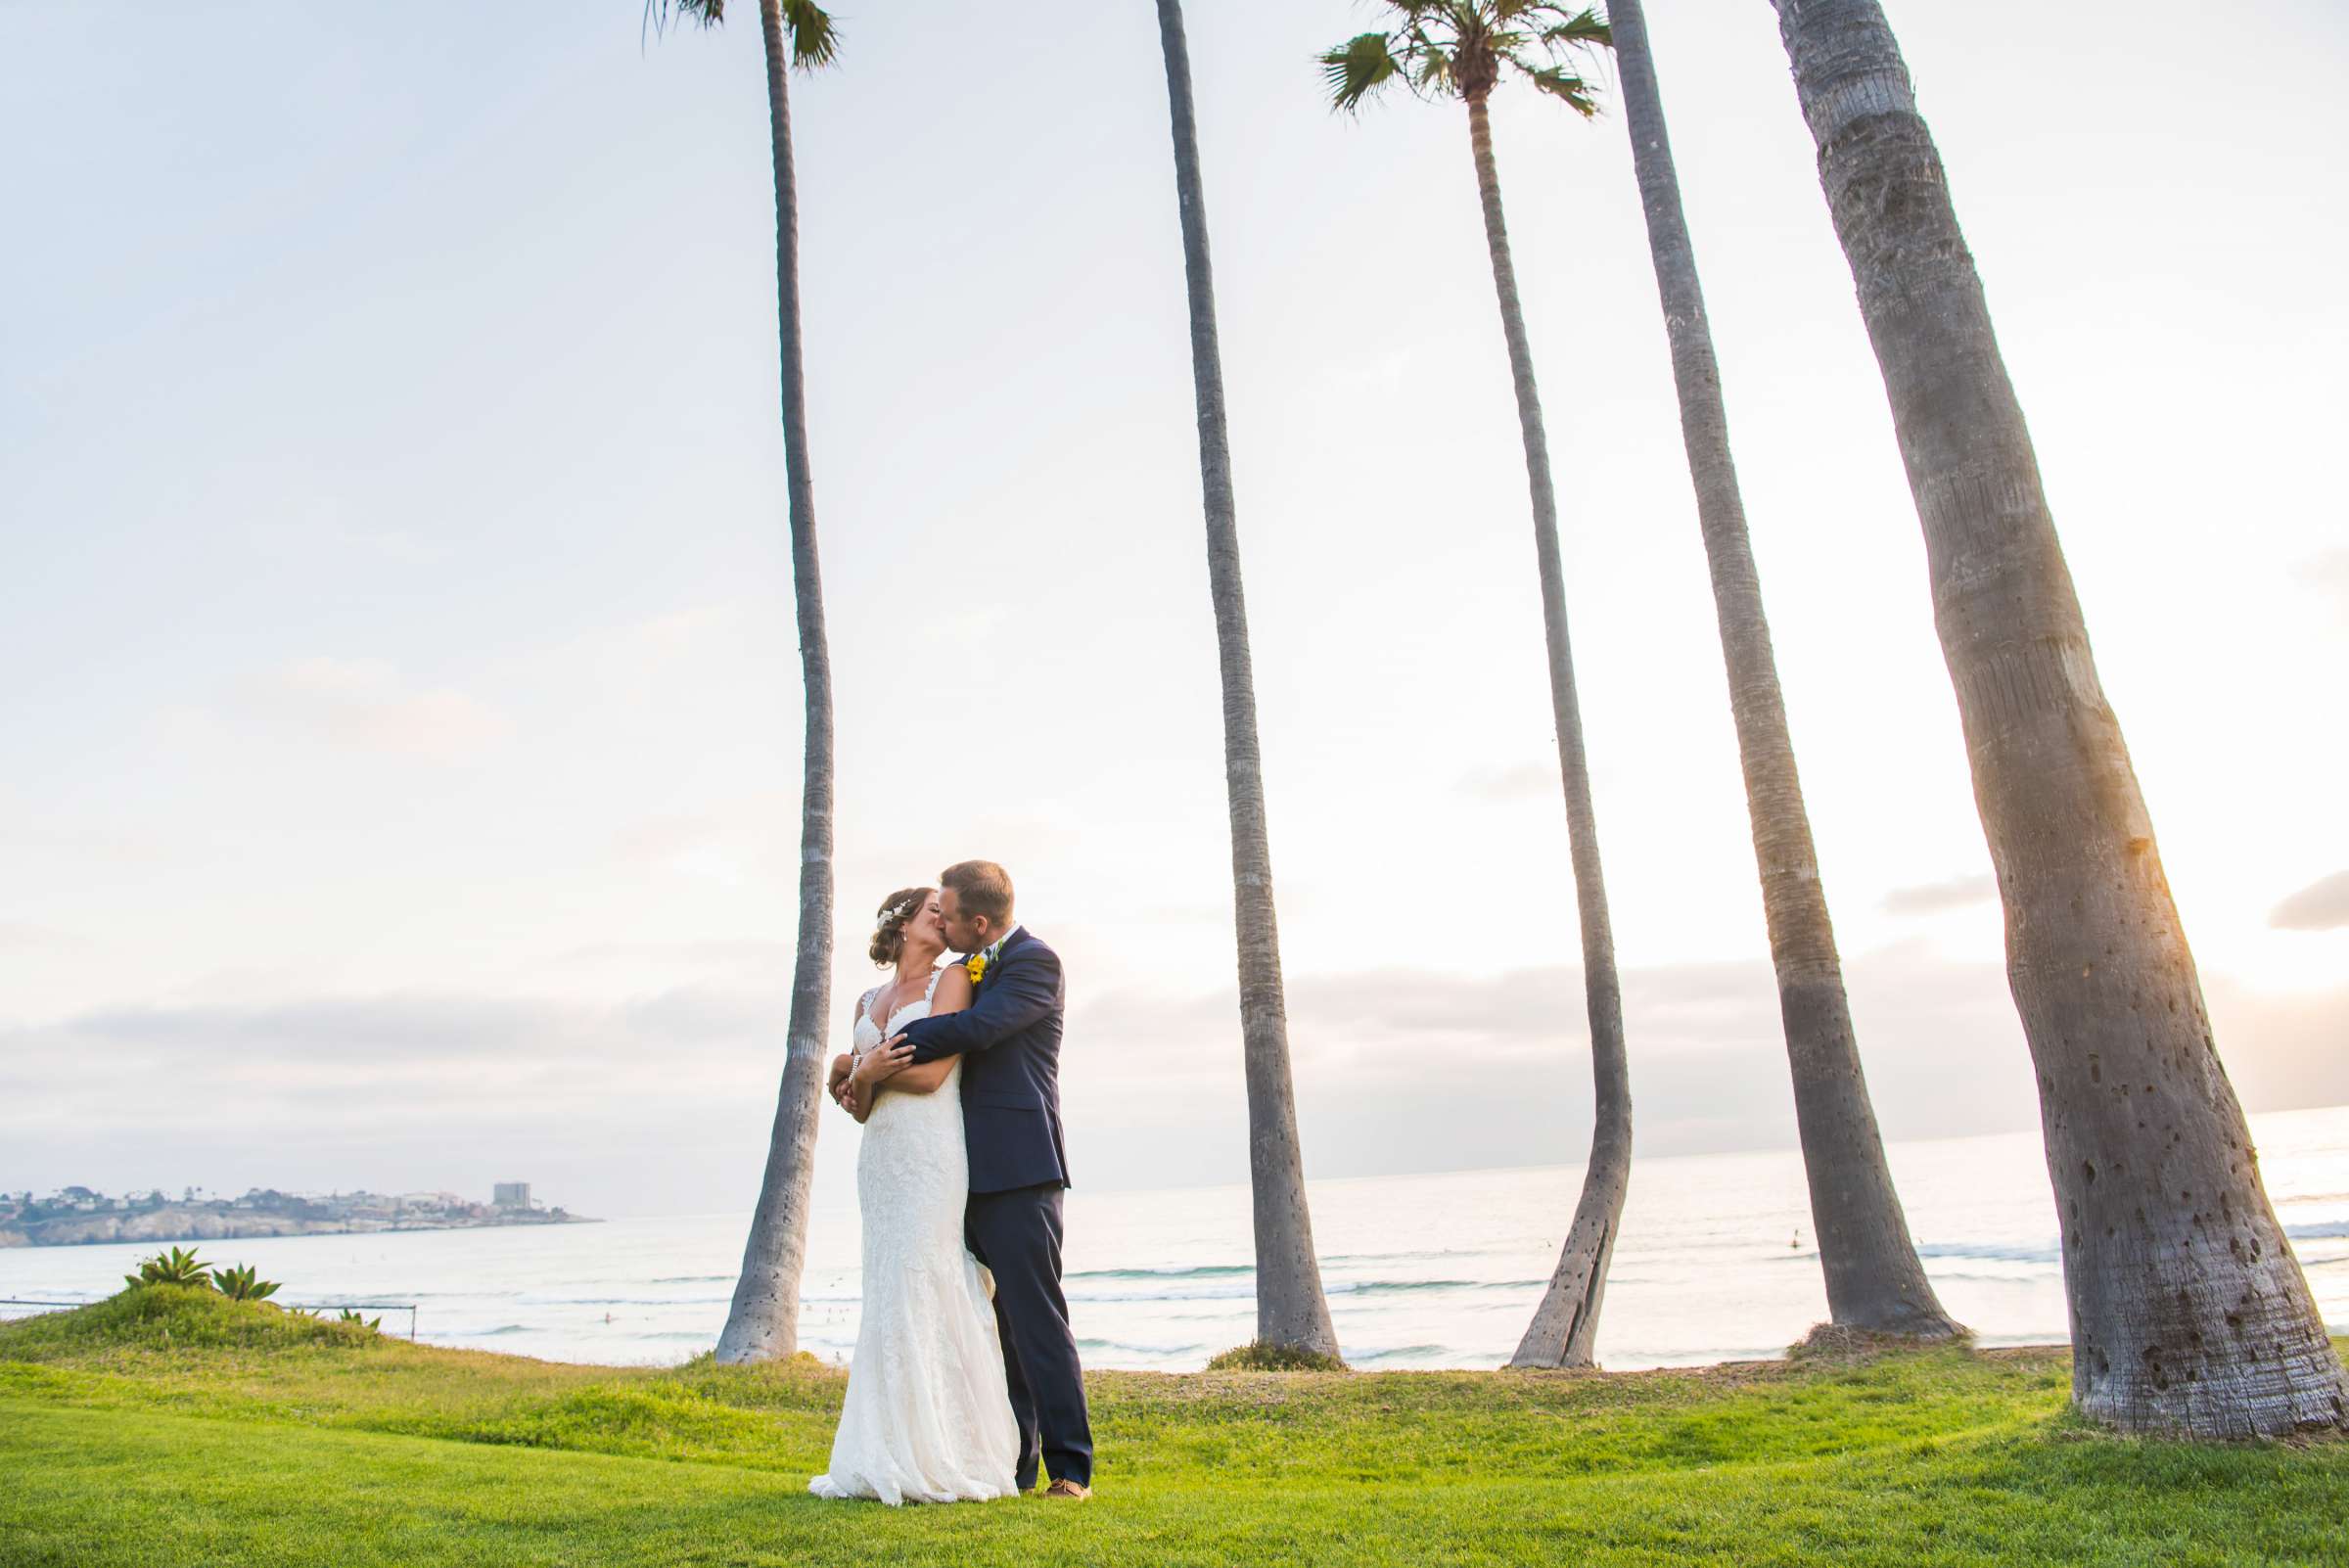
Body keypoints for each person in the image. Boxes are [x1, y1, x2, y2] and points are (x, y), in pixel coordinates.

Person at [844, 858, 1094, 1500]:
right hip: (950, 1169)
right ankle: (1012, 1463)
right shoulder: (969, 969)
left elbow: (977, 1030)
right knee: (985, 1323)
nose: (943, 922)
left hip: (1016, 1166)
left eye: (948, 913)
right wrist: (854, 1066)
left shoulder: (1033, 963)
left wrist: (869, 1058)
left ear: (976, 921)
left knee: (1034, 1319)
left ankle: (1072, 1469)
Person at [807, 884, 1019, 1504]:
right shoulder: (866, 999)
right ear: (904, 925)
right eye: (934, 911)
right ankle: (888, 1444)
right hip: (882, 1160)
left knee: (925, 1277)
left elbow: (932, 1074)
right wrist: (859, 1078)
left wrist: (865, 1070)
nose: (945, 919)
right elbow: (859, 1110)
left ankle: (949, 1449)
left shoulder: (951, 981)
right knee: (887, 1289)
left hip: (930, 1152)